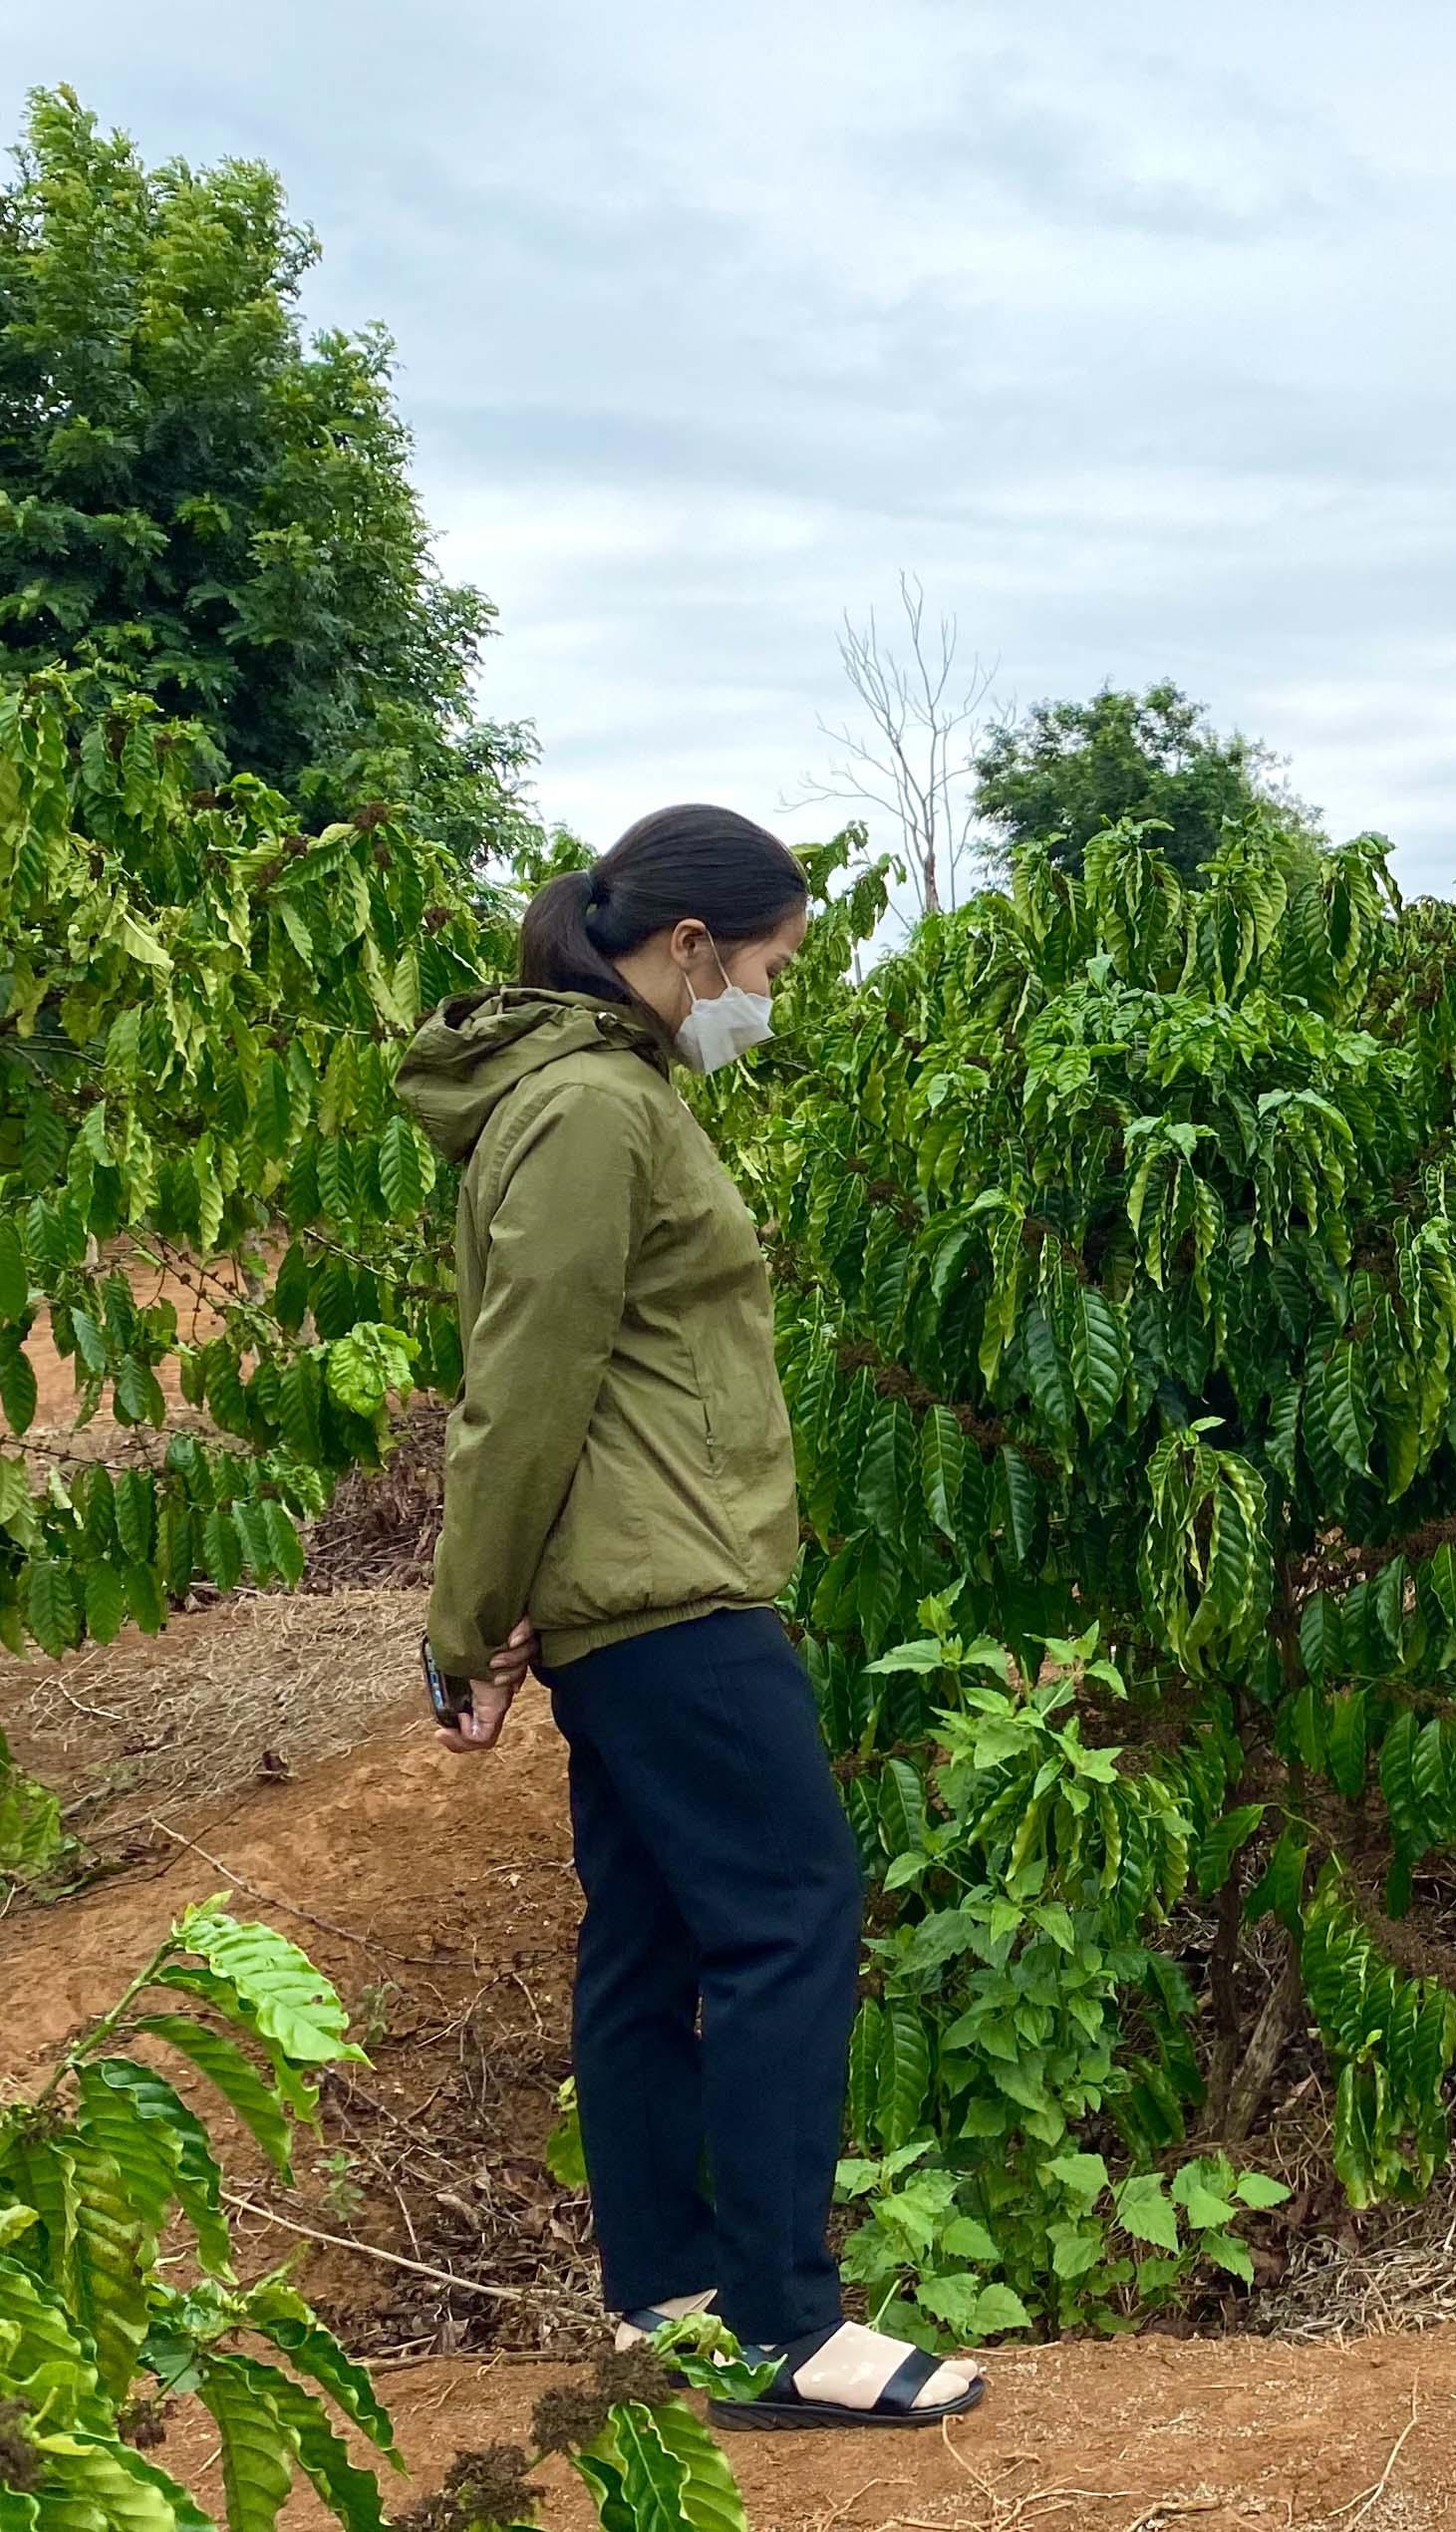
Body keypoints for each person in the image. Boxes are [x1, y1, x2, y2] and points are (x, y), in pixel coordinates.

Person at [398, 806, 983, 2427]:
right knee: (793, 1912)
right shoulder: (592, 1106)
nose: (770, 1003)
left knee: (649, 1936)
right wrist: (466, 1623)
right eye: (772, 970)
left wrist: (503, 1612)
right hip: (667, 1594)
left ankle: (672, 2314)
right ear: (687, 951)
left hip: (626, 1587)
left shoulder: (596, 1090)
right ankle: (791, 2329)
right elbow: (524, 1382)